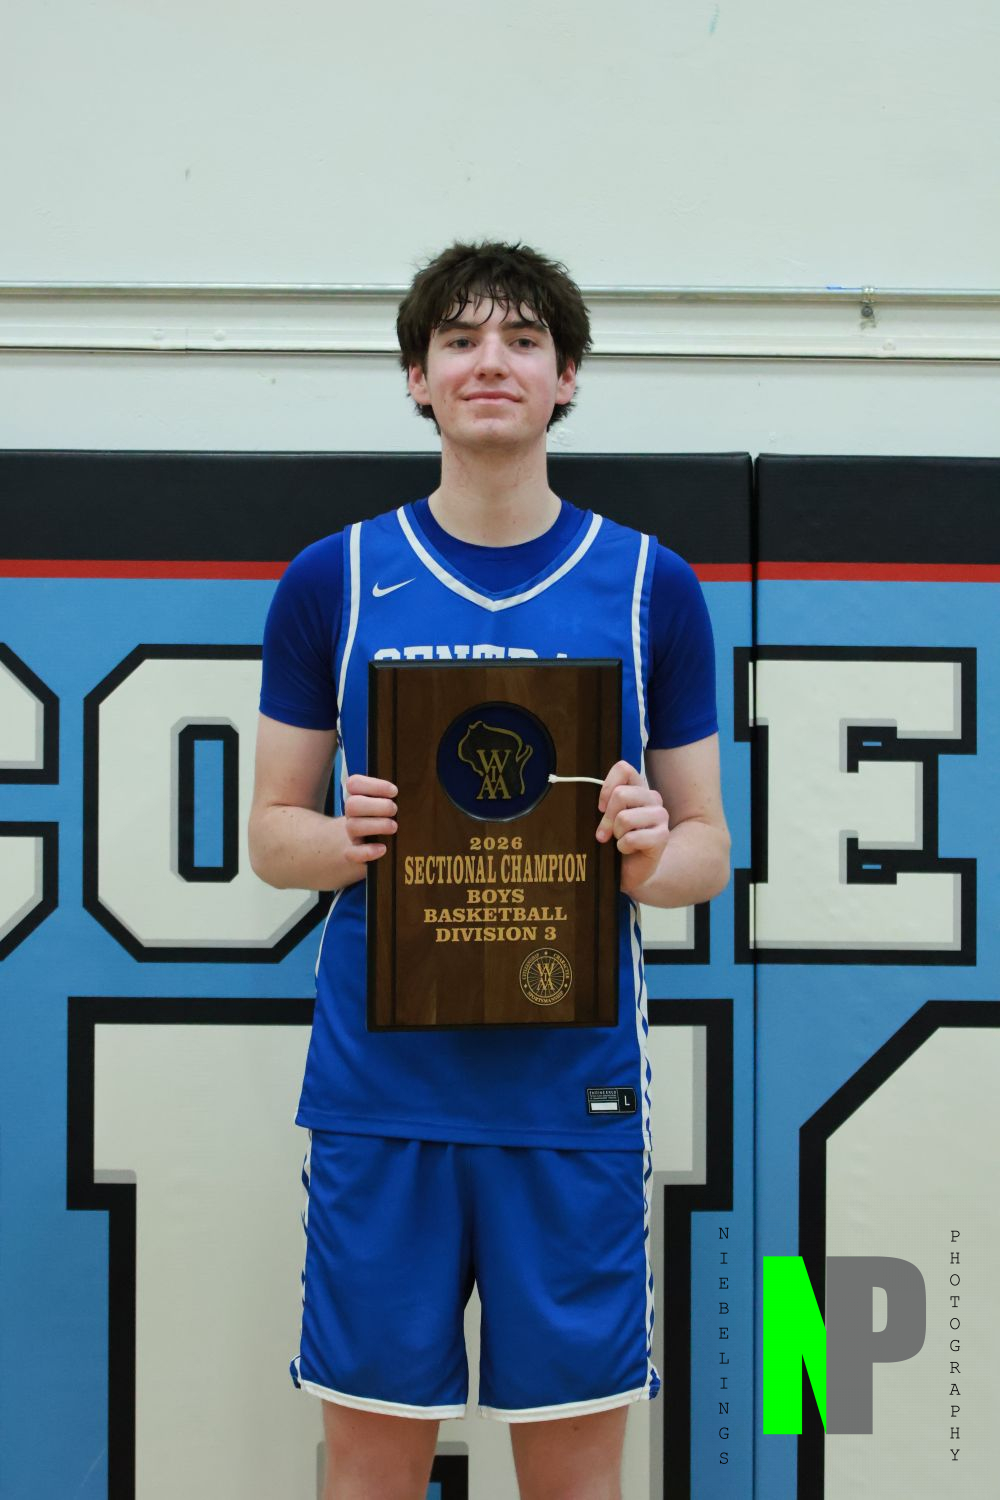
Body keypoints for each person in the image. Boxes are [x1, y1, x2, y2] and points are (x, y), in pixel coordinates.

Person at [248, 240, 730, 1500]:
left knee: (572, 1473)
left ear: (566, 378)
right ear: (417, 378)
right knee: (369, 1469)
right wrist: (343, 840)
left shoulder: (651, 586)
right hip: (382, 1093)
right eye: (459, 340)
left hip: (568, 1096)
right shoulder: (335, 578)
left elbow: (706, 850)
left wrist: (646, 853)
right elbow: (271, 834)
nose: (490, 363)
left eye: (522, 339)